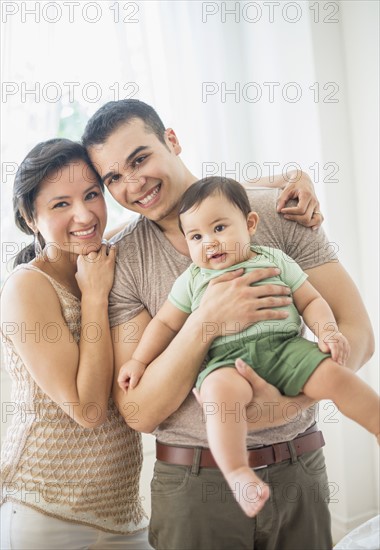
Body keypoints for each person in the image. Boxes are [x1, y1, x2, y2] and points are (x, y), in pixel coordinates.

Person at [82, 99, 374, 550]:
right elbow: (138, 409)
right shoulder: (124, 261)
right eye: (113, 177)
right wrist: (207, 319)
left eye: (140, 158)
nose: (133, 184)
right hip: (193, 487)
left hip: (298, 468)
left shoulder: (278, 213)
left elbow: (357, 333)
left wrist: (285, 405)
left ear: (172, 140)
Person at [118, 176, 380, 518]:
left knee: (335, 376)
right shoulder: (193, 279)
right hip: (227, 361)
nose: (209, 242)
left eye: (220, 228)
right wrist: (138, 359)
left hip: (285, 348)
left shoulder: (273, 258)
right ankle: (238, 472)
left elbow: (311, 299)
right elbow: (165, 324)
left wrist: (327, 331)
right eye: (196, 237)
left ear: (250, 224)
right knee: (217, 396)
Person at [0, 139, 150, 549]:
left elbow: (185, 205)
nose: (84, 215)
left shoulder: (104, 254)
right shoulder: (27, 286)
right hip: (45, 514)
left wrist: (286, 180)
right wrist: (96, 297)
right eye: (60, 204)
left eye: (91, 195)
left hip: (122, 514)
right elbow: (87, 410)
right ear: (31, 217)